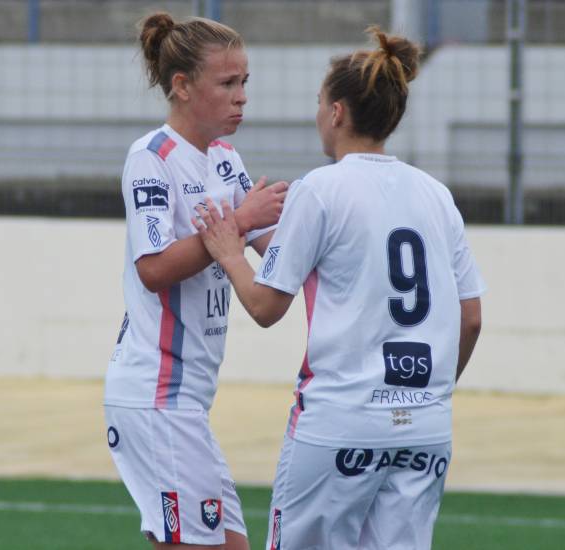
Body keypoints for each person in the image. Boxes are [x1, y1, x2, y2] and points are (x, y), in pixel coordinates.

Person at [193, 27, 485, 550]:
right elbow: (471, 319)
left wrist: (230, 254)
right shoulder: (437, 196)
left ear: (337, 113)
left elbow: (264, 306)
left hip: (340, 422)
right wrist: (432, 394)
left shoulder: (320, 189)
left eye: (320, 102)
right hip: (426, 425)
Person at [103, 12, 288, 550]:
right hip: (156, 397)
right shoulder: (151, 159)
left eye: (244, 83)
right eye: (227, 83)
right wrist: (242, 220)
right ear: (181, 87)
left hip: (187, 404)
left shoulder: (225, 160)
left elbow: (273, 252)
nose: (241, 97)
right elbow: (154, 267)